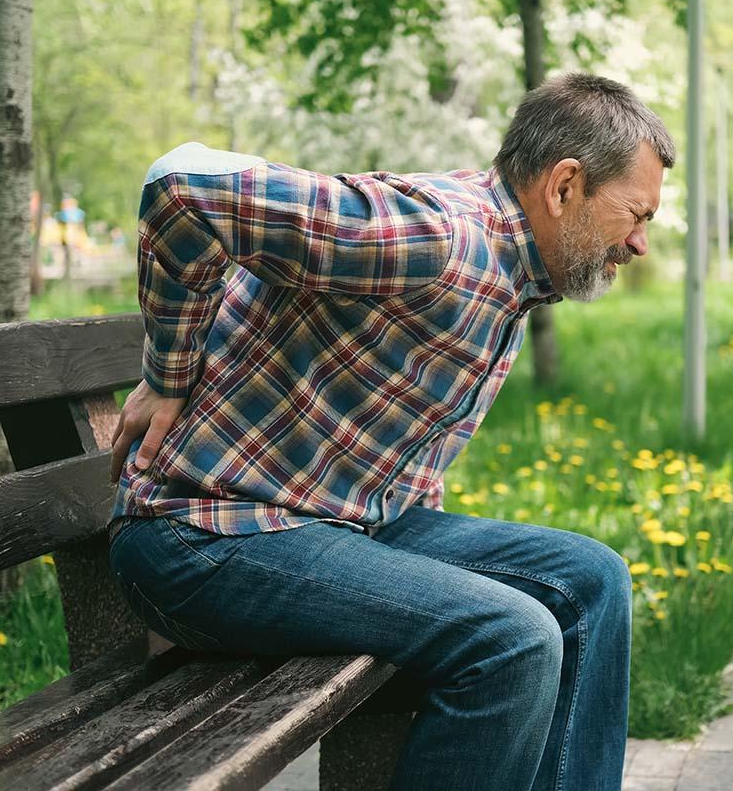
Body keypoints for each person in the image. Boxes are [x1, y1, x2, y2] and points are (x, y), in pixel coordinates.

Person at [107, 71, 675, 791]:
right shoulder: (434, 233)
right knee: (510, 638)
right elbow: (181, 186)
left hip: (338, 524)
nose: (639, 243)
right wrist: (168, 371)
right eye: (636, 215)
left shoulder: (513, 271)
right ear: (564, 187)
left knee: (593, 581)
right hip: (201, 536)